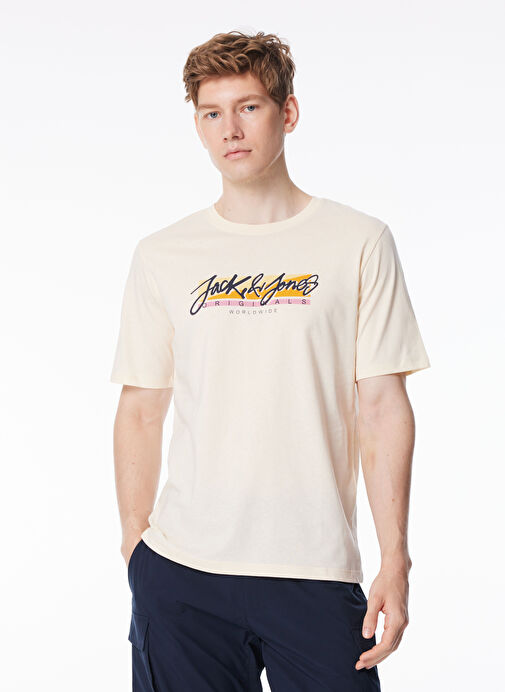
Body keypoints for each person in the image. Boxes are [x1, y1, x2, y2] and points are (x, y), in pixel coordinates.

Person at [110, 29, 430, 692]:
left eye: (248, 107)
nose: (230, 129)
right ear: (197, 125)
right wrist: (136, 546)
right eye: (211, 113)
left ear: (288, 112)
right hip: (184, 572)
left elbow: (381, 409)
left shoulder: (358, 242)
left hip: (314, 569)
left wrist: (394, 559)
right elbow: (140, 408)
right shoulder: (164, 254)